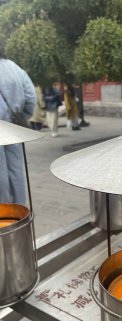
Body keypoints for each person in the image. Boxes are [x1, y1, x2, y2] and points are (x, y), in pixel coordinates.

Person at [0, 43, 36, 205]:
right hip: (13, 126)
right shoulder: (14, 68)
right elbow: (31, 97)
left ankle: (3, 216)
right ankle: (18, 212)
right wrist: (22, 115)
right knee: (16, 169)